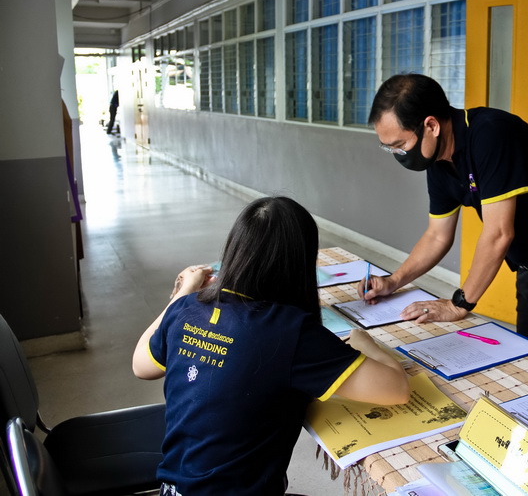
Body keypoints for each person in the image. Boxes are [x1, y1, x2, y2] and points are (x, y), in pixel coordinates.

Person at [132, 196, 410, 495]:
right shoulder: (288, 330)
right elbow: (397, 390)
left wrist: (184, 291)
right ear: (301, 261)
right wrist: (366, 342)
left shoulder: (185, 309)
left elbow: (141, 366)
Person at [362, 74, 528, 367]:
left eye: (399, 144)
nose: (398, 154)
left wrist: (459, 304)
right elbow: (437, 235)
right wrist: (393, 281)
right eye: (389, 147)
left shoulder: (491, 134)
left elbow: (498, 234)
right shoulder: (439, 160)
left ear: (431, 126)